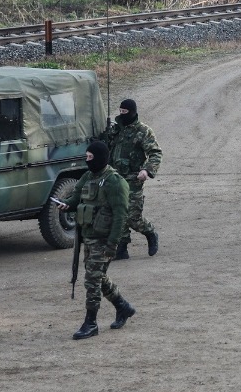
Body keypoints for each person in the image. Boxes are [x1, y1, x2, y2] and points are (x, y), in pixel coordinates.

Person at [58, 140, 135, 340]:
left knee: (92, 280)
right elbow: (76, 199)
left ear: (100, 158)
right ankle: (122, 306)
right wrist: (66, 205)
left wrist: (113, 244)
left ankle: (90, 323)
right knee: (98, 277)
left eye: (90, 157)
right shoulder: (87, 177)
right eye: (87, 157)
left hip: (104, 239)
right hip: (89, 237)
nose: (87, 160)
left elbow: (120, 216)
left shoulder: (115, 182)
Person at [104, 99, 163, 258]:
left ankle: (150, 232)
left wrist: (147, 170)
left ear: (133, 112)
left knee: (132, 216)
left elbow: (155, 153)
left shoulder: (143, 131)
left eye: (125, 112)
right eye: (121, 111)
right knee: (117, 212)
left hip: (133, 178)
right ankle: (122, 248)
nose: (122, 115)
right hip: (115, 178)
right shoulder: (115, 130)